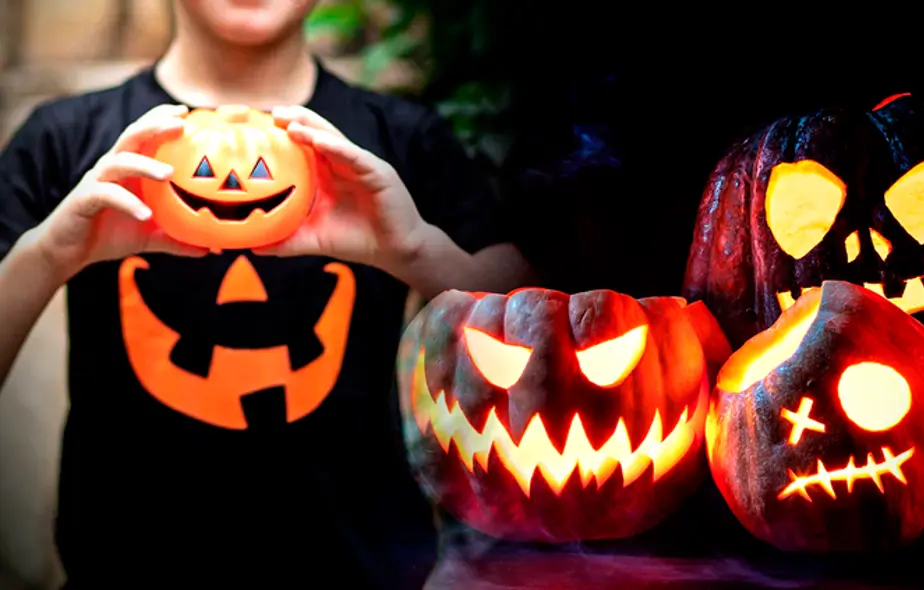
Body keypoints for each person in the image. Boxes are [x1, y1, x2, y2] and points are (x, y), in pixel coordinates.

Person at [0, 0, 532, 587]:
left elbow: (540, 362)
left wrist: (416, 254)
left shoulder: (405, 139)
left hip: (363, 571)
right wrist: (48, 254)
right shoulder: (64, 138)